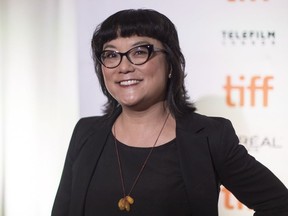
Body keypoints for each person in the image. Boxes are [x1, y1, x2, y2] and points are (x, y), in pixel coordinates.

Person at [51, 9, 288, 216]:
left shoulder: (209, 136)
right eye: (111, 55)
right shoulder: (86, 132)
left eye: (139, 52)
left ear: (171, 63)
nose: (123, 66)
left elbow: (279, 204)